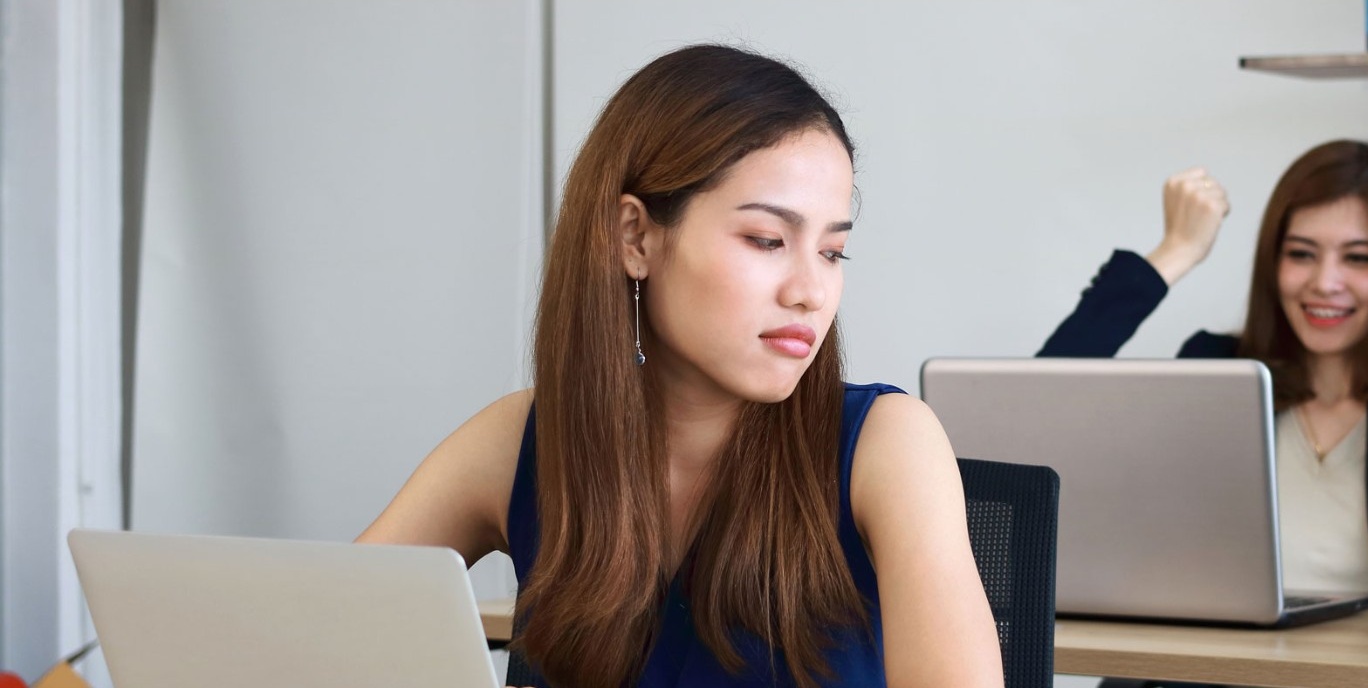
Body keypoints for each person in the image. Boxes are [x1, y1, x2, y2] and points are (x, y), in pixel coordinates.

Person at [358, 45, 1003, 688]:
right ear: (635, 238)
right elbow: (302, 629)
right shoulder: (520, 438)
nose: (811, 290)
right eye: (767, 241)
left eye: (834, 252)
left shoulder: (888, 443)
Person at [1040, 140, 1368, 600]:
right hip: (1217, 669)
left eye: (1359, 258)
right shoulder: (1221, 369)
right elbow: (1046, 400)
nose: (1325, 282)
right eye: (1301, 254)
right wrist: (1176, 251)